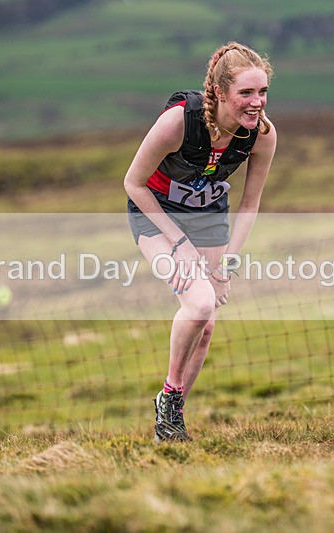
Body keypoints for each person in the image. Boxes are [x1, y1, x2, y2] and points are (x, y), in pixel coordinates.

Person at [124, 42, 277, 442]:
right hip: (155, 214)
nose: (257, 102)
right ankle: (169, 398)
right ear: (220, 92)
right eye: (246, 93)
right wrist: (178, 243)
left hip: (208, 219)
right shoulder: (179, 122)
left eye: (262, 92)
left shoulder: (261, 135)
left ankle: (170, 421)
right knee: (200, 301)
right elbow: (133, 183)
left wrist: (228, 264)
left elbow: (250, 203)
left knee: (206, 325)